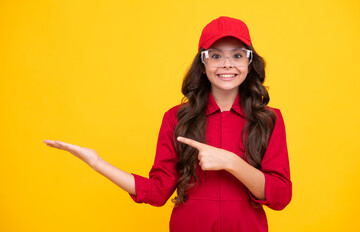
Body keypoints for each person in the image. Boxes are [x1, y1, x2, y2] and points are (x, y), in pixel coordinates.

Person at [43, 16, 292, 232]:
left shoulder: (269, 119)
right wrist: (97, 163)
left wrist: (233, 163)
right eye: (216, 56)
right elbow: (157, 192)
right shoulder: (176, 118)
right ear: (203, 63)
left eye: (237, 55)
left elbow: (280, 196)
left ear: (249, 62)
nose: (227, 64)